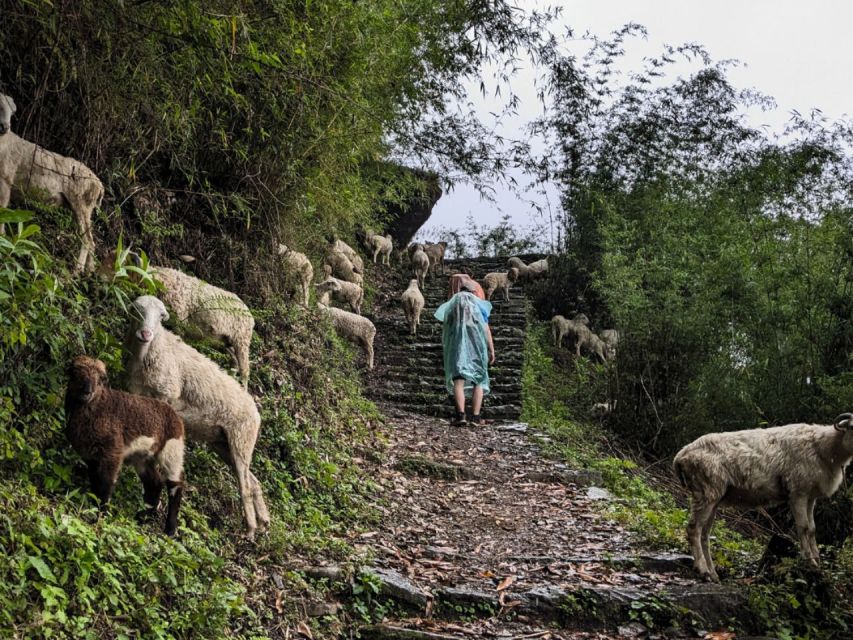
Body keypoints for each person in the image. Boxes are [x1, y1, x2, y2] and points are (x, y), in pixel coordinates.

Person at [434, 279, 496, 426]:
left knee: (458, 379)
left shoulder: (453, 307)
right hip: (477, 345)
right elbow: (486, 329)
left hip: (457, 345)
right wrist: (491, 350)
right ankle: (475, 417)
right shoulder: (478, 305)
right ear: (472, 292)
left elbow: (446, 330)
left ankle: (461, 415)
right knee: (478, 380)